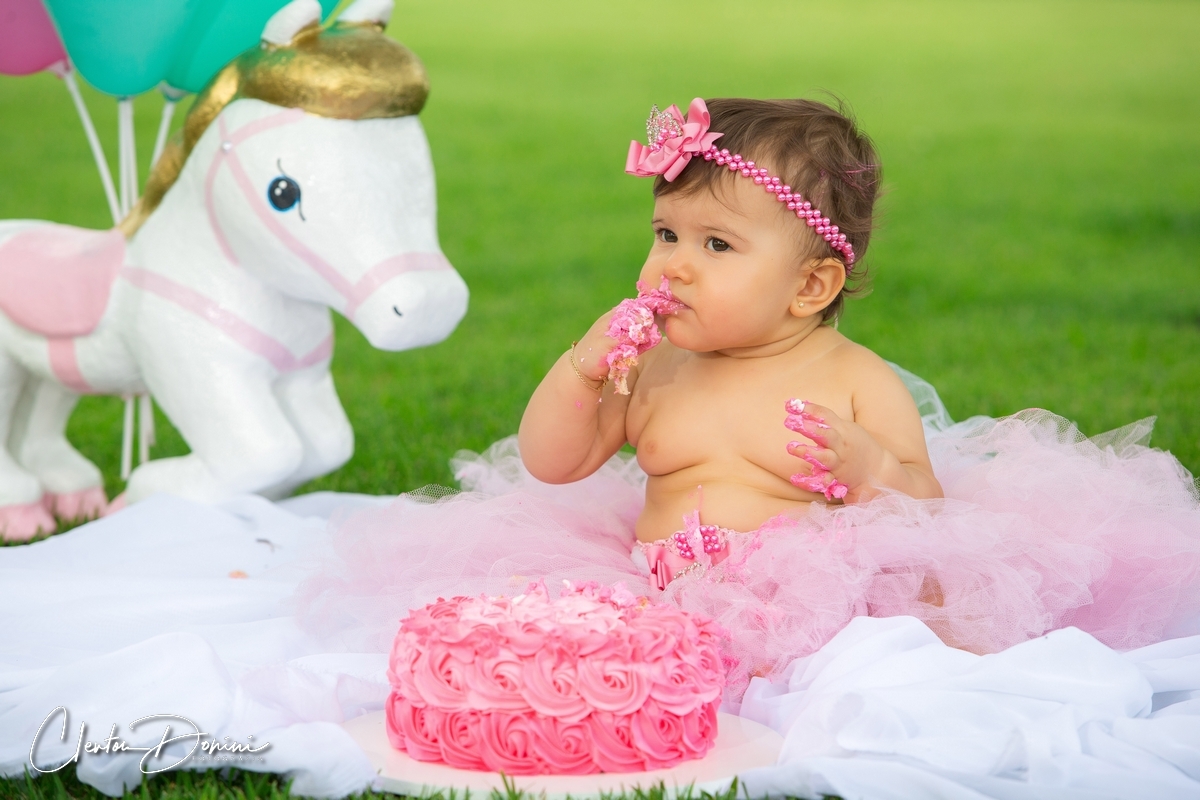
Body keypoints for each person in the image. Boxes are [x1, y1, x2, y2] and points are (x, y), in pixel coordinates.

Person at [300, 97, 1200, 698]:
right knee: (551, 645)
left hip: (807, 607)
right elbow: (552, 461)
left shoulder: (852, 381)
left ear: (810, 287)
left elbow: (932, 520)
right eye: (664, 233)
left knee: (860, 677)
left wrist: (872, 468)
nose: (673, 263)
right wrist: (580, 370)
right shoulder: (652, 367)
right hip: (654, 590)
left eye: (717, 245)